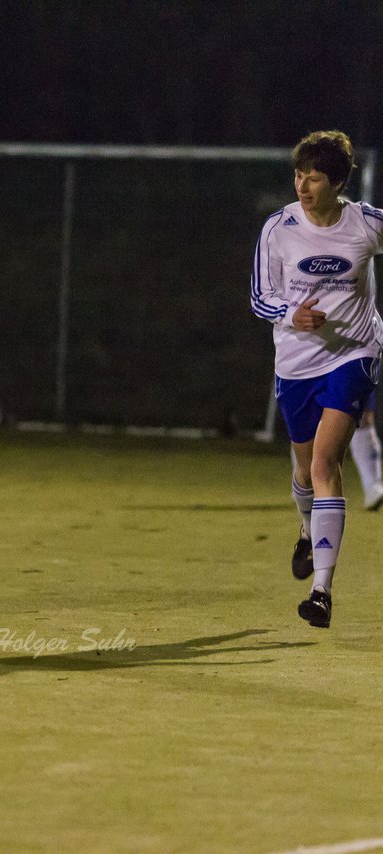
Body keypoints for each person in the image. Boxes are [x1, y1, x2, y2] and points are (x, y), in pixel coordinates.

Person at [251, 130, 383, 628]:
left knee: (327, 462)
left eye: (315, 179)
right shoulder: (278, 228)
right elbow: (260, 297)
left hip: (354, 354)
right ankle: (306, 530)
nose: (303, 187)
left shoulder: (367, 224)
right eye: (299, 176)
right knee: (304, 471)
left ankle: (322, 592)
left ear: (339, 183)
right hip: (297, 362)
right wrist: (292, 314)